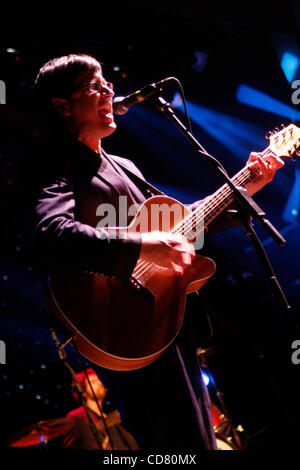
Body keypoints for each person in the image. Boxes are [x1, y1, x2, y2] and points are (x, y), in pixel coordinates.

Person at [29, 53, 284, 450]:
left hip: (164, 317)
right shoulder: (53, 162)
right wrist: (142, 248)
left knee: (196, 439)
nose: (108, 91)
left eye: (107, 84)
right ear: (62, 105)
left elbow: (179, 230)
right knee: (175, 443)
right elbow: (51, 233)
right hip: (116, 323)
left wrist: (246, 185)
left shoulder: (124, 165)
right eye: (93, 86)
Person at [62, 368, 139, 450]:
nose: (99, 383)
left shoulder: (111, 418)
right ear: (82, 391)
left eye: (99, 379)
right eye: (93, 381)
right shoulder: (77, 417)